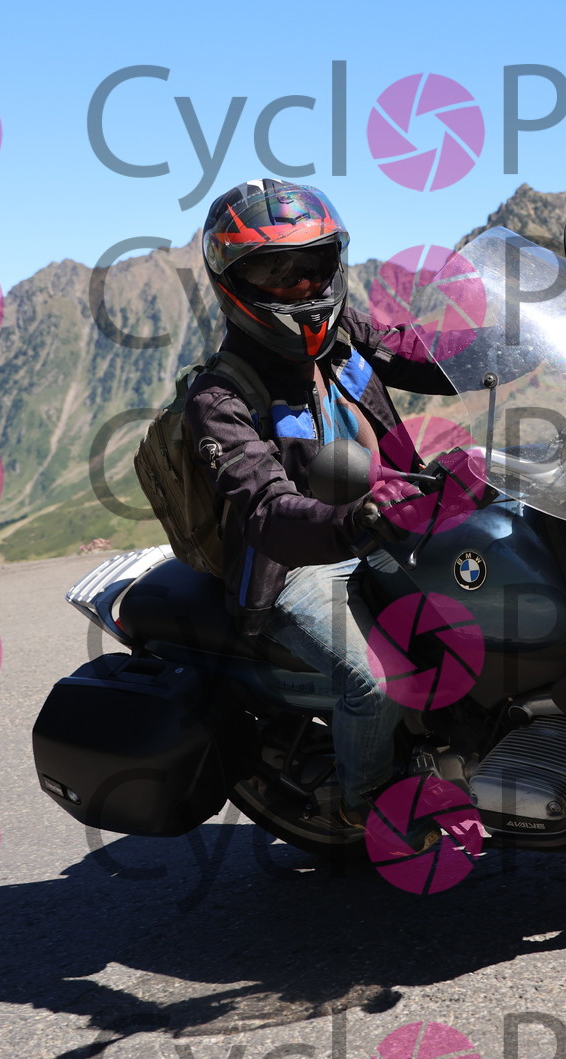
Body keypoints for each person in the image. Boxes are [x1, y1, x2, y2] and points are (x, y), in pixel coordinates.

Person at [185, 178, 456, 831]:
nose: (304, 286)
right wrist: (352, 521)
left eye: (316, 265)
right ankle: (368, 804)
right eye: (279, 273)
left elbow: (423, 354)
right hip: (294, 567)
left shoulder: (343, 335)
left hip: (388, 522)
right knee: (376, 681)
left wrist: (515, 339)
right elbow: (267, 511)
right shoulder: (220, 400)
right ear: (234, 282)